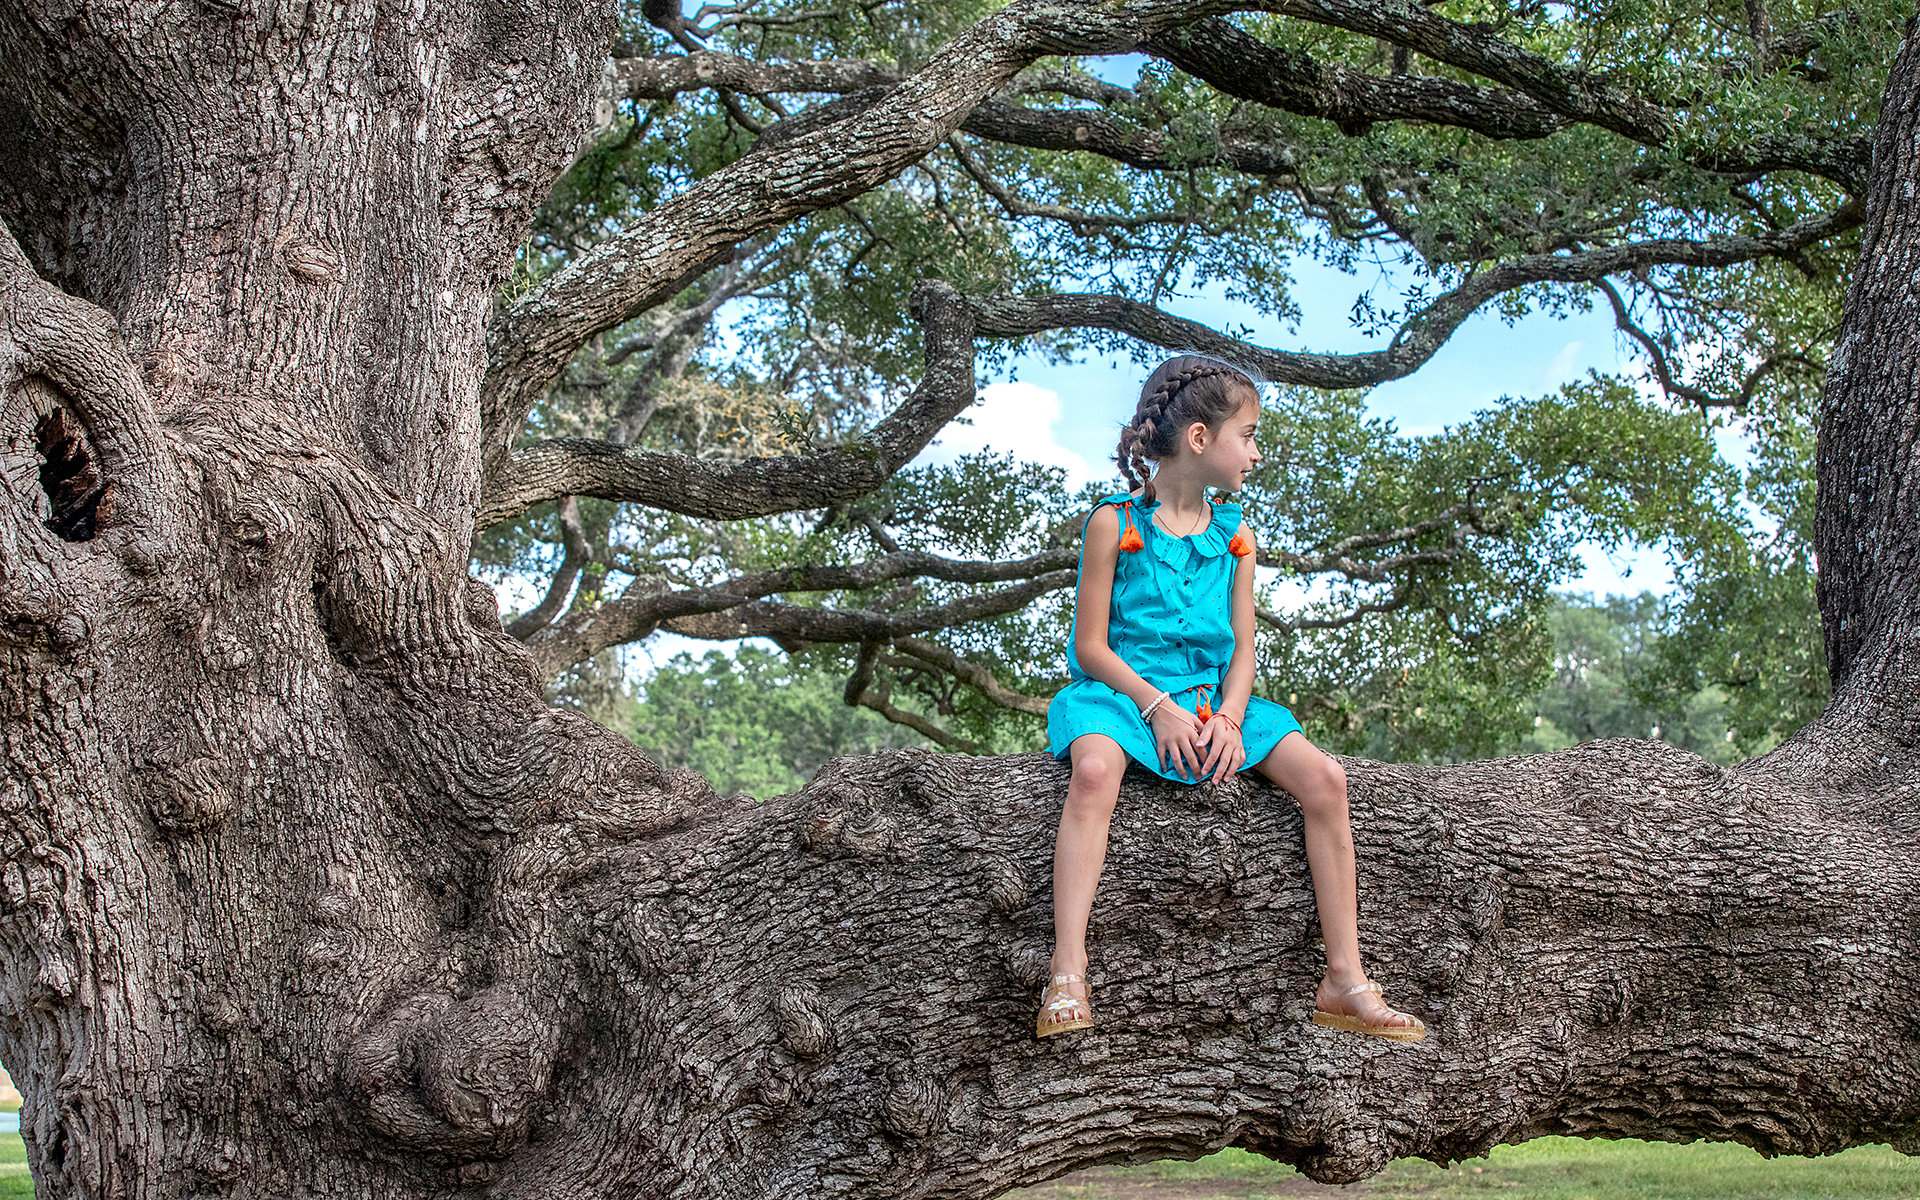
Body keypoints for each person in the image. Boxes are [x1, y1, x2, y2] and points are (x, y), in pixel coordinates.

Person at [1037, 355, 1425, 1044]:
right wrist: (1156, 707)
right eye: (1247, 436)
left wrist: (1233, 718)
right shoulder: (1113, 524)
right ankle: (1068, 969)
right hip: (1124, 695)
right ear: (1199, 439)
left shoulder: (1236, 536)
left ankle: (1344, 978)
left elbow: (1244, 648)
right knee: (1093, 771)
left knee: (1327, 780)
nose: (1255, 452)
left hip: (1216, 700)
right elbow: (1090, 647)